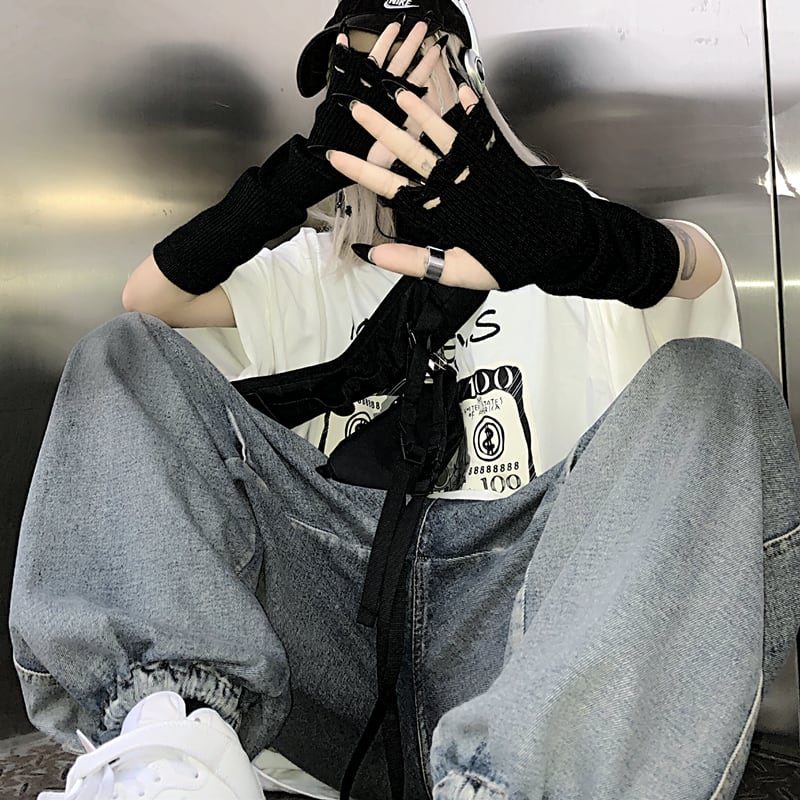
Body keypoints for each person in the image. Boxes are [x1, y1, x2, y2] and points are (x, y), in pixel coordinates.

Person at [10, 2, 800, 799]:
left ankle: (525, 783)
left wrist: (566, 239)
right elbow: (149, 300)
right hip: (333, 623)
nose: (387, 98)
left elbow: (693, 270)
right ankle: (174, 743)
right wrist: (305, 171)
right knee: (121, 354)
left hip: (531, 637)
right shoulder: (311, 271)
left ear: (468, 83)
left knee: (714, 383)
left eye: (410, 68)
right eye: (360, 77)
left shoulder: (550, 238)